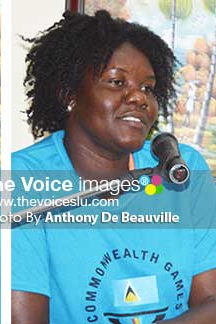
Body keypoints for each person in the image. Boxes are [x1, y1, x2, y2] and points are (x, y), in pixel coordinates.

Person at [12, 10, 216, 324]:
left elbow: (210, 301)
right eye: (117, 82)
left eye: (148, 88)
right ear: (69, 94)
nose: (138, 97)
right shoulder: (24, 180)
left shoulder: (182, 169)